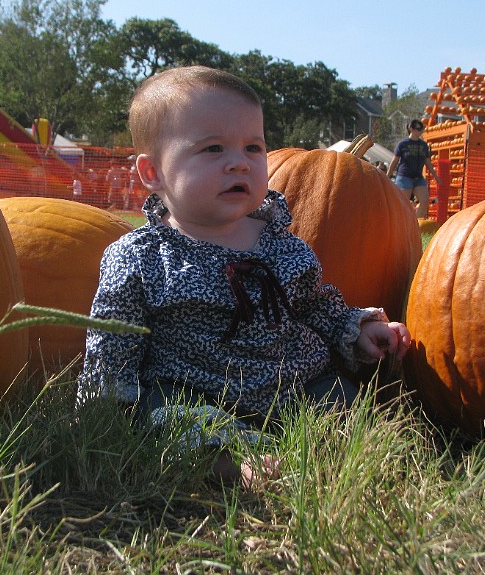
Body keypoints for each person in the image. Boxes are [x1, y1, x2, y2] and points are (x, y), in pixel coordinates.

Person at [78, 66, 411, 488]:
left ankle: (320, 447)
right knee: (166, 414)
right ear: (153, 173)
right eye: (213, 149)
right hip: (196, 391)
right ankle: (232, 463)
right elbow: (112, 343)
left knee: (341, 399)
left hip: (295, 386)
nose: (239, 163)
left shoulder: (283, 245)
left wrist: (355, 328)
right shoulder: (139, 258)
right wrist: (101, 411)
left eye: (253, 148)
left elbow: (317, 306)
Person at [386, 119, 440, 218]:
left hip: (418, 177)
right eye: (418, 129)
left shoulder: (423, 145)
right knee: (404, 203)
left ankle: (416, 224)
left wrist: (435, 176)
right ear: (411, 129)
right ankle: (400, 223)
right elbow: (395, 161)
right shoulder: (403, 144)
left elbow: (427, 162)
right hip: (404, 176)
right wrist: (387, 176)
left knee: (424, 201)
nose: (420, 131)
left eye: (421, 129)